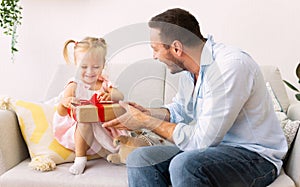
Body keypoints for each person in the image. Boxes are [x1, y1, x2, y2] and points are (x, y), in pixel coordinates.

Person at [103, 8, 288, 186]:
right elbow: (180, 110)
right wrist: (147, 113)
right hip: (212, 153)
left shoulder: (229, 68)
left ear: (176, 48)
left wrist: (145, 122)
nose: (154, 57)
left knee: (185, 164)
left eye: (155, 49)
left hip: (254, 158)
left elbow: (202, 141)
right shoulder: (189, 71)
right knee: (141, 158)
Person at [53, 37, 127, 175]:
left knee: (120, 119)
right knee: (84, 121)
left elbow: (120, 96)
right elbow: (61, 112)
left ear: (103, 65)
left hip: (102, 132)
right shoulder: (74, 85)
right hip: (79, 134)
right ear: (76, 64)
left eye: (96, 67)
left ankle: (120, 153)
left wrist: (111, 96)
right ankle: (80, 159)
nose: (90, 71)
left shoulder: (104, 83)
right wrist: (66, 102)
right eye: (84, 66)